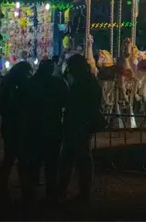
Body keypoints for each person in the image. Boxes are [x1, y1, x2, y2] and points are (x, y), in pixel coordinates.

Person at [21, 59, 68, 204]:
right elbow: (65, 102)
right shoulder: (59, 83)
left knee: (33, 161)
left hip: (33, 126)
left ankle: (29, 193)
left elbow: (23, 102)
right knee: (51, 163)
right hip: (52, 126)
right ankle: (50, 193)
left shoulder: (30, 83)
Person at [58, 54, 104, 202]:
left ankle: (80, 191)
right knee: (72, 157)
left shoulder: (84, 83)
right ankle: (70, 190)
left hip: (79, 124)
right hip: (78, 124)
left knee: (79, 157)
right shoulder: (87, 82)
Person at [0, 61, 33, 204]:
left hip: (10, 124)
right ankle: (23, 191)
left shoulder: (7, 84)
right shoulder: (17, 86)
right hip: (17, 124)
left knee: (10, 158)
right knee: (20, 159)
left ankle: (4, 189)